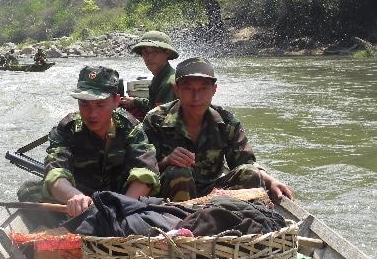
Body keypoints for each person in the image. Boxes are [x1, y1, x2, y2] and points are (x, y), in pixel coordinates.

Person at [143, 57, 293, 203]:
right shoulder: (155, 120)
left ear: (214, 90)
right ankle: (184, 223)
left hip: (212, 192)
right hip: (169, 194)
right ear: (176, 90)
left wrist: (271, 181)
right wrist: (166, 161)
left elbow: (245, 162)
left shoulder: (227, 122)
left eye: (203, 88)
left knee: (251, 174)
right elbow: (141, 169)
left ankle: (218, 216)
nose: (196, 97)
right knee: (179, 172)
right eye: (188, 89)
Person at [17, 65, 160, 217]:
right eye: (84, 104)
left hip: (120, 198)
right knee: (29, 189)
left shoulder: (131, 127)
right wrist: (74, 197)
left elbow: (145, 172)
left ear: (116, 101)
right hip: (80, 202)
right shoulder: (67, 129)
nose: (92, 113)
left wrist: (121, 209)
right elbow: (56, 172)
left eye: (100, 105)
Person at [119, 30, 179, 118]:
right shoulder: (159, 77)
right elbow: (154, 106)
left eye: (155, 51)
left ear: (167, 53)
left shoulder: (168, 84)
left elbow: (160, 120)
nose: (149, 57)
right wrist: (135, 101)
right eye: (145, 52)